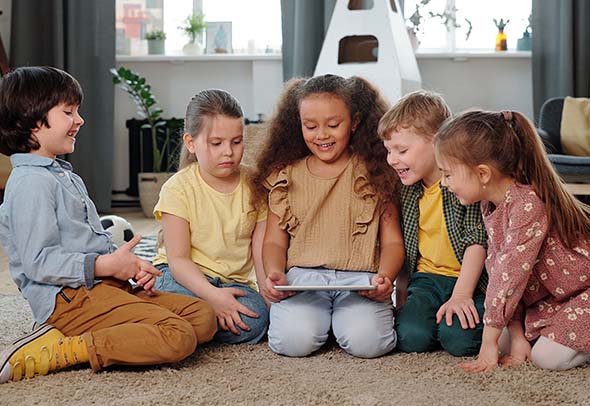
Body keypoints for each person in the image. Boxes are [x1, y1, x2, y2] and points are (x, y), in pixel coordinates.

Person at [0, 66, 217, 383]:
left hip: (102, 287)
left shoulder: (63, 175)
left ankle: (78, 331)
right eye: (68, 112)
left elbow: (88, 242)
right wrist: (104, 265)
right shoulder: (31, 183)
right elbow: (38, 262)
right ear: (33, 122)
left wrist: (127, 266)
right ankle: (64, 348)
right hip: (69, 299)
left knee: (203, 316)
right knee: (178, 335)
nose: (79, 120)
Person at [251, 74, 404, 358]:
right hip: (303, 280)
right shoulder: (286, 175)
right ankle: (329, 321)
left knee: (370, 343)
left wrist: (385, 277)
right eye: (310, 126)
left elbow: (393, 242)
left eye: (333, 125)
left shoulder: (376, 172)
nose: (321, 135)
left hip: (361, 280)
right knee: (292, 342)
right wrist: (275, 273)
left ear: (354, 122)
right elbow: (273, 241)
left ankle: (339, 322)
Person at [434, 109, 590, 372]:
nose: (443, 183)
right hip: (552, 300)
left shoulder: (528, 203)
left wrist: (488, 344)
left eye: (447, 174)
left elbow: (510, 275)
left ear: (483, 174)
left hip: (582, 292)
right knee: (506, 340)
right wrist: (516, 337)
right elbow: (501, 274)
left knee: (546, 358)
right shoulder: (490, 205)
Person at [152, 89, 269, 344]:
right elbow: (179, 261)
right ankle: (195, 320)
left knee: (258, 319)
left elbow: (261, 255)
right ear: (191, 143)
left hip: (230, 283)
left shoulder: (256, 185)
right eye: (216, 143)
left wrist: (270, 300)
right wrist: (212, 297)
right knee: (182, 299)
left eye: (236, 142)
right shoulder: (177, 188)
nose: (228, 152)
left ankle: (189, 325)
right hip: (181, 277)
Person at [378, 91, 488, 357]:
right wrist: (402, 297)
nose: (392, 159)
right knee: (410, 337)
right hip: (426, 280)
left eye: (402, 150)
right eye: (389, 150)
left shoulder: (463, 185)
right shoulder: (406, 190)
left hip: (469, 280)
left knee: (460, 341)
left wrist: (461, 295)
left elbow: (477, 241)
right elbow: (403, 248)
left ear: (437, 141)